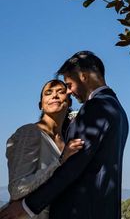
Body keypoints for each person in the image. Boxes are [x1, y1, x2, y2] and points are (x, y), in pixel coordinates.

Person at [0, 51, 129, 219]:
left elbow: (73, 166)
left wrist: (28, 207)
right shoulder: (116, 109)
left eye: (68, 84)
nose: (68, 92)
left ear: (83, 76)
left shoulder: (96, 107)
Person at [3, 80, 84, 219]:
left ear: (69, 102)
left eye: (61, 92)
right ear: (41, 105)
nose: (54, 96)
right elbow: (17, 189)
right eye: (48, 93)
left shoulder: (66, 142)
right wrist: (60, 162)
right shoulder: (30, 132)